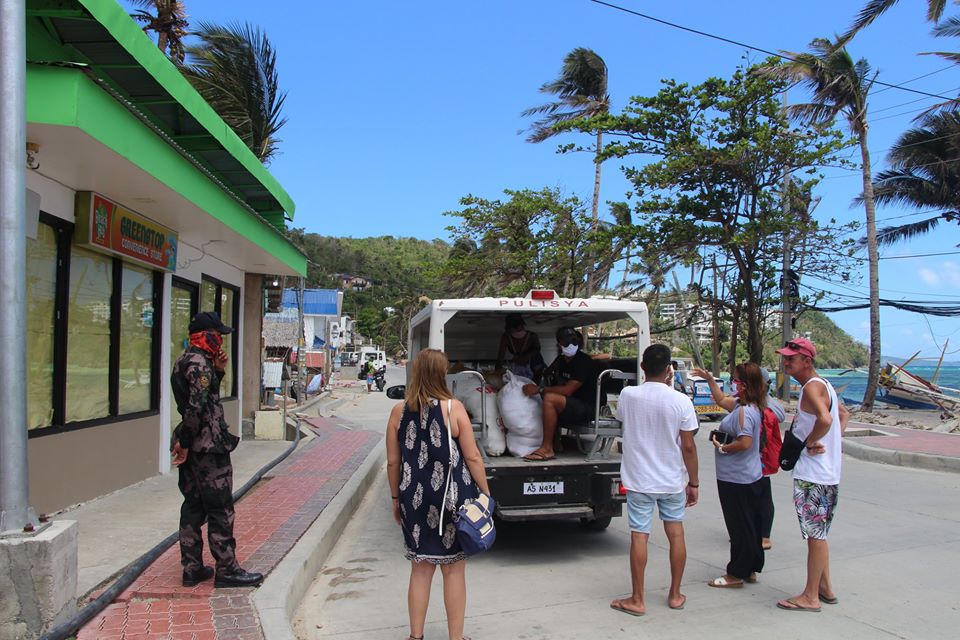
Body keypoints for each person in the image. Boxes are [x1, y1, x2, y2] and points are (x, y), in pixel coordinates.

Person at [385, 349, 492, 640]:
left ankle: (415, 636)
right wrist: (485, 492)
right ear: (442, 374)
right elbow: (473, 457)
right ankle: (456, 637)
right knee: (454, 570)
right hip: (451, 500)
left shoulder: (398, 412)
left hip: (413, 499)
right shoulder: (453, 408)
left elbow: (393, 462)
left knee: (420, 569)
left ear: (416, 372)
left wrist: (395, 499)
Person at [170, 311, 264, 588]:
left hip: (195, 444)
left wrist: (219, 371)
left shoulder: (185, 361)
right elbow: (197, 408)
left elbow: (202, 398)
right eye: (217, 335)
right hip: (208, 448)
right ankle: (227, 569)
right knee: (220, 508)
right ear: (204, 336)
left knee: (193, 505)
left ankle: (192, 568)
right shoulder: (199, 364)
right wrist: (185, 442)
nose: (220, 341)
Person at [610, 344, 699, 616]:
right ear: (670, 369)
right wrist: (694, 483)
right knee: (676, 534)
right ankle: (675, 594)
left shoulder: (628, 395)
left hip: (639, 480)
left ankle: (637, 599)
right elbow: (688, 447)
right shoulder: (681, 401)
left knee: (640, 535)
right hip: (671, 480)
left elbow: (622, 418)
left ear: (642, 367)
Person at [775, 338, 849, 612]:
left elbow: (827, 419)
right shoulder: (825, 385)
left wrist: (811, 441)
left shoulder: (811, 387)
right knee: (819, 532)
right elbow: (843, 415)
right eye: (785, 358)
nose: (786, 363)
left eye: (791, 359)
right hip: (826, 472)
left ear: (807, 361)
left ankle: (810, 596)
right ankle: (825, 588)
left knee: (815, 535)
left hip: (814, 474)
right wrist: (830, 441)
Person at [693, 363, 767, 589]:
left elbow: (745, 442)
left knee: (738, 526)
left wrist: (723, 447)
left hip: (736, 478)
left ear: (743, 385)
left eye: (734, 380)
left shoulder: (745, 412)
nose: (732, 384)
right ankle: (750, 567)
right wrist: (709, 380)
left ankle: (736, 573)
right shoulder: (745, 405)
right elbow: (720, 400)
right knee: (749, 524)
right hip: (748, 475)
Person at [521, 327, 598, 462]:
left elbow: (568, 390)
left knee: (550, 398)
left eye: (573, 342)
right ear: (559, 344)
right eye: (566, 342)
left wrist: (539, 389)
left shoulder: (583, 361)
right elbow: (548, 373)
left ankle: (547, 448)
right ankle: (555, 441)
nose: (570, 345)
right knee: (545, 398)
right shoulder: (561, 360)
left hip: (587, 407)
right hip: (572, 403)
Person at [759, 368, 787, 551]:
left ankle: (764, 535)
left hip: (761, 457)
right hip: (753, 458)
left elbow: (780, 416)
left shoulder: (767, 404)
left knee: (763, 495)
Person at [495, 313, 543, 380]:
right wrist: (497, 371)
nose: (519, 330)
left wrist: (527, 356)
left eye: (520, 328)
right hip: (517, 366)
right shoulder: (506, 337)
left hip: (534, 365)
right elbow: (501, 355)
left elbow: (537, 349)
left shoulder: (532, 336)